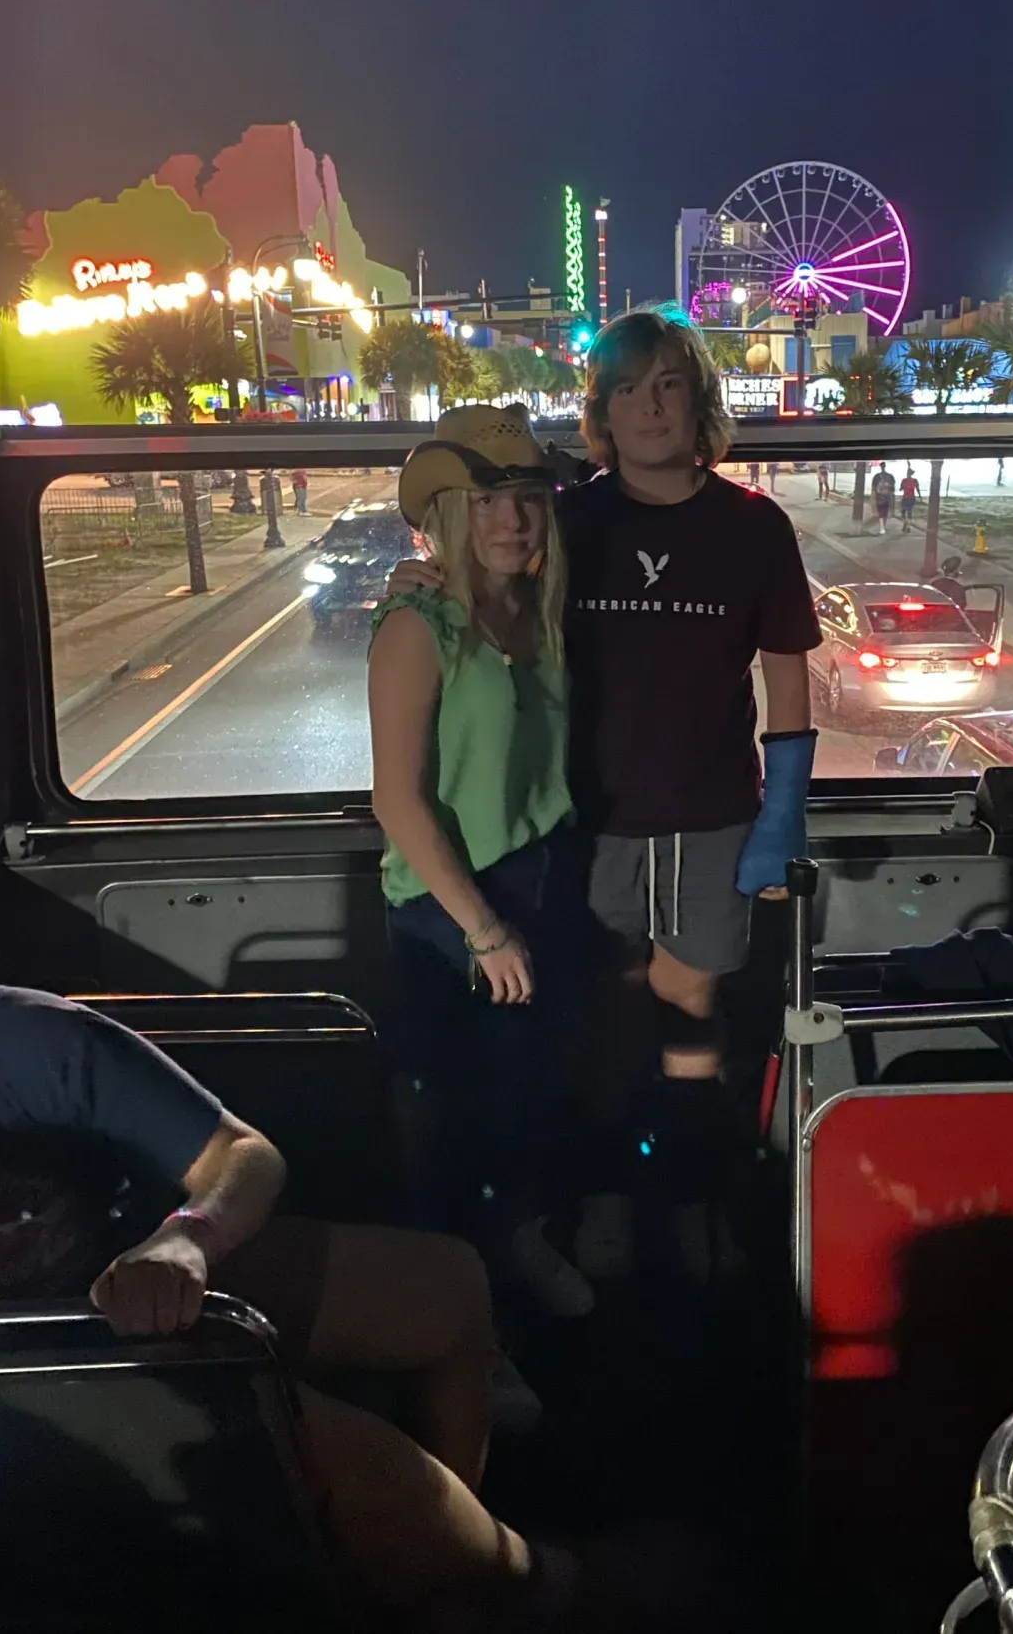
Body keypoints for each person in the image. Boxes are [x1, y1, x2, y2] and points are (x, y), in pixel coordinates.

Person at [389, 310, 821, 1282]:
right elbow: (489, 586)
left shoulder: (754, 527)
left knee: (691, 1009)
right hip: (580, 819)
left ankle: (690, 1191)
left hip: (712, 813)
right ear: (602, 413)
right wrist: (415, 582)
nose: (650, 407)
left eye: (669, 385)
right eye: (627, 390)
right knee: (593, 1022)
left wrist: (783, 810)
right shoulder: (569, 521)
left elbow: (786, 675)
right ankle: (608, 1197)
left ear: (699, 402)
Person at [0, 980, 564, 1625]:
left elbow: (241, 1155)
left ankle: (432, 1578)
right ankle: (507, 1572)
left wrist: (186, 1237)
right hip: (4, 1375)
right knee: (368, 1479)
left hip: (115, 1279)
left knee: (445, 1286)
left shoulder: (14, 1035)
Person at [369, 403, 594, 1320]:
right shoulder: (417, 624)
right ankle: (458, 1312)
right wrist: (484, 930)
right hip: (449, 906)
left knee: (526, 1093)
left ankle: (514, 1251)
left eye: (527, 498)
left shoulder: (537, 614)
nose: (512, 519)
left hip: (539, 876)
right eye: (486, 500)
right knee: (456, 1118)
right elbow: (397, 801)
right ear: (450, 516)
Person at [871, 460, 895, 535]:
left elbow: (873, 488)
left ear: (880, 467)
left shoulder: (876, 476)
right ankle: (883, 527)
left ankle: (882, 528)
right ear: (885, 466)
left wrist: (874, 498)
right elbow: (893, 489)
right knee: (885, 513)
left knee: (881, 513)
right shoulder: (890, 476)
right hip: (887, 498)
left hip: (879, 498)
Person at [899, 464, 920, 532]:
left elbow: (900, 489)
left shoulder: (904, 480)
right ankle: (908, 525)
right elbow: (918, 489)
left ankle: (906, 524)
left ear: (908, 473)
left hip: (906, 498)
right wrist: (920, 497)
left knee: (904, 512)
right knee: (908, 513)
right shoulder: (914, 480)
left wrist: (902, 488)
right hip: (911, 498)